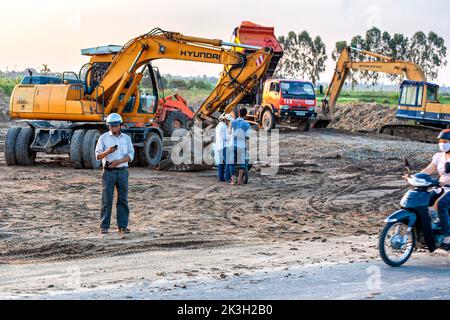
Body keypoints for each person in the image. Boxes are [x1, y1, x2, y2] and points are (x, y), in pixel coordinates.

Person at [95, 113, 135, 235]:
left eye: (116, 126)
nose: (114, 128)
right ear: (108, 126)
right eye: (112, 126)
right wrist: (108, 151)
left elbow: (131, 155)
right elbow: (97, 156)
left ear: (120, 125)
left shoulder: (126, 139)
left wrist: (119, 161)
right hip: (108, 173)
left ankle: (122, 226)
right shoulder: (103, 138)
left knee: (123, 199)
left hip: (123, 171)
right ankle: (104, 226)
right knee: (106, 199)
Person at [419, 129, 450, 250]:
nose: (442, 143)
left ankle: (448, 236)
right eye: (441, 141)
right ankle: (430, 227)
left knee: (441, 204)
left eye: (446, 141)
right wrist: (415, 177)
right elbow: (428, 170)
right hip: (441, 187)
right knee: (424, 199)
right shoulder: (438, 157)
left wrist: (446, 181)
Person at [230, 108, 250, 185]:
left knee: (232, 163)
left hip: (233, 145)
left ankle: (233, 180)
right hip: (241, 146)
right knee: (242, 163)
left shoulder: (232, 122)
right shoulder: (247, 124)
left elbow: (230, 133)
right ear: (245, 115)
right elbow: (247, 136)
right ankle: (239, 180)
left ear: (238, 113)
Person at [215, 114, 233, 182]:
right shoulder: (223, 126)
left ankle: (221, 177)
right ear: (225, 120)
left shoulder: (218, 126)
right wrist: (231, 135)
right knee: (228, 162)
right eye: (228, 121)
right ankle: (227, 177)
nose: (228, 123)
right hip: (224, 146)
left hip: (219, 146)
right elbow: (226, 138)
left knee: (221, 163)